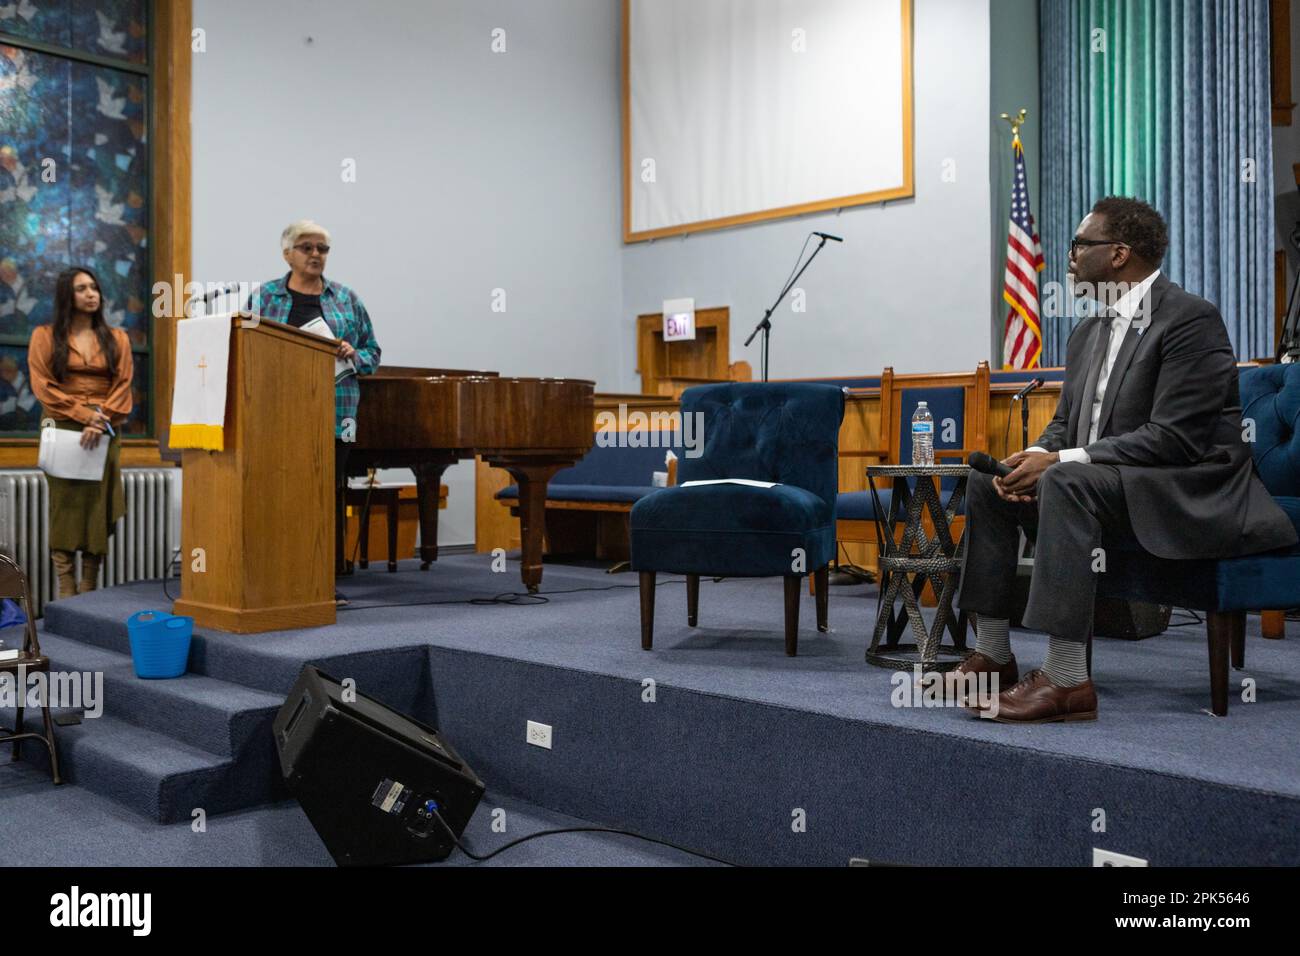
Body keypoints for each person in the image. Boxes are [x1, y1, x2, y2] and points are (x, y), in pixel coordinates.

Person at [955, 196, 1297, 722]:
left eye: (1079, 245)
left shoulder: (1190, 320)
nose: (1068, 257)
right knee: (989, 483)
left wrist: (1062, 461)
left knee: (1067, 481)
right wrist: (1038, 453)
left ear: (1118, 254)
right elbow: (1067, 424)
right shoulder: (1086, 332)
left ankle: (1067, 679)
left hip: (1182, 488)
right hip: (1110, 483)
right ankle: (994, 656)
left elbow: (1174, 439)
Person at [249, 220, 381, 586]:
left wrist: (354, 353)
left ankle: (321, 579)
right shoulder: (264, 297)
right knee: (277, 494)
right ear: (287, 254)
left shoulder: (346, 298)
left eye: (322, 248)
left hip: (335, 414)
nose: (315, 255)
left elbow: (373, 353)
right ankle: (275, 575)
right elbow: (245, 350)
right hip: (277, 414)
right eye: (306, 247)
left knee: (324, 496)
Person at [28, 267, 134, 599]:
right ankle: (66, 587)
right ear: (66, 296)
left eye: (94, 288)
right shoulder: (44, 335)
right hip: (62, 425)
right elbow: (43, 387)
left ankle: (88, 589)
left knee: (97, 507)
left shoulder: (117, 338)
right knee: (65, 507)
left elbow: (123, 385)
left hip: (105, 427)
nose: (91, 294)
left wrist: (99, 418)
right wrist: (85, 415)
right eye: (81, 288)